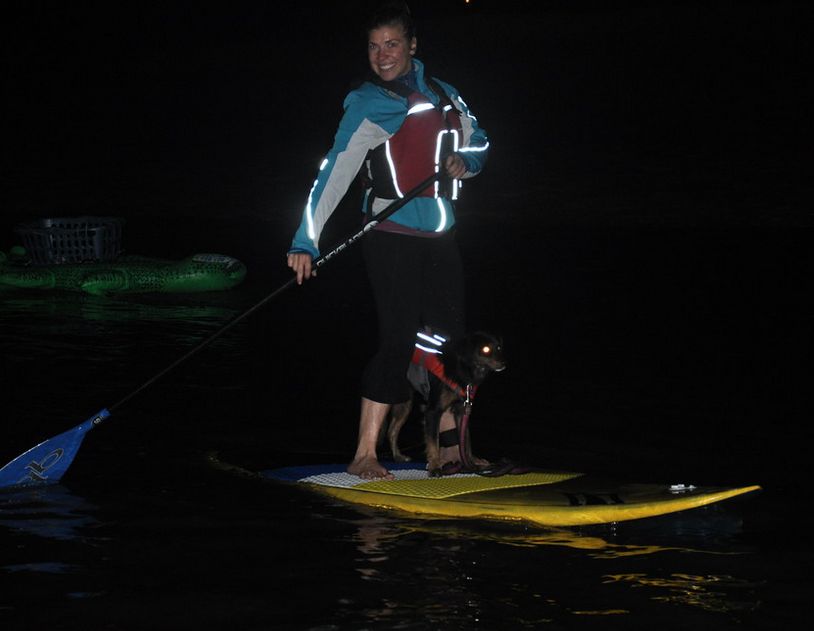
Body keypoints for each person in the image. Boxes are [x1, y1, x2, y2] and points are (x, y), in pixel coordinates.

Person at [287, 3, 489, 479]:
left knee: (452, 346)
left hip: (441, 235)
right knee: (396, 340)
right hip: (390, 235)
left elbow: (479, 140)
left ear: (412, 46)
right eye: (374, 46)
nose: (382, 55)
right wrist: (305, 241)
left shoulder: (445, 94)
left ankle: (453, 454)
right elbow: (333, 173)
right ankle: (363, 454)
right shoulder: (369, 101)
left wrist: (468, 162)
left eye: (392, 44)